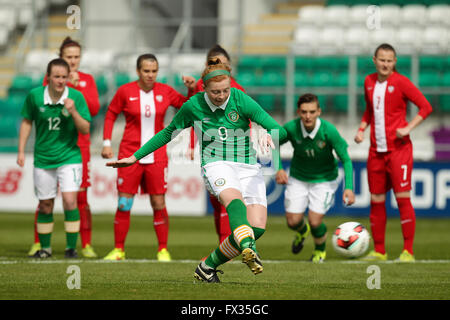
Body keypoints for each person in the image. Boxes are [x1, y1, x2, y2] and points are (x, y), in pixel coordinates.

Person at [106, 60, 287, 283]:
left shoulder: (241, 100)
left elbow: (279, 129)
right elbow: (168, 133)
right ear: (204, 89)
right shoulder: (193, 105)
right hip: (216, 163)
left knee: (257, 227)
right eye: (215, 92)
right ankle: (250, 249)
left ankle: (207, 266)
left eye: (225, 90)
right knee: (235, 201)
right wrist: (135, 157)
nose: (221, 96)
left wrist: (272, 135)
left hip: (249, 166)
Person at [101, 53, 188, 261]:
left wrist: (192, 88)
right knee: (124, 203)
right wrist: (106, 142)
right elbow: (111, 113)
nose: (150, 75)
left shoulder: (165, 91)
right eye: (146, 71)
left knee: (158, 202)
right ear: (138, 71)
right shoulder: (125, 91)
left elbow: (187, 105)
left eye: (154, 71)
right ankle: (119, 250)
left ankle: (163, 250)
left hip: (157, 155)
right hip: (129, 152)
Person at [354, 43, 433, 262]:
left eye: (390, 60)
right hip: (375, 152)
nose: (386, 64)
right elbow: (369, 110)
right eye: (382, 60)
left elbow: (426, 107)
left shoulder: (402, 82)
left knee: (402, 199)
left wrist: (408, 128)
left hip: (399, 151)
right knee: (377, 200)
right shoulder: (368, 81)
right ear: (375, 60)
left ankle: (408, 251)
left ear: (395, 62)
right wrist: (361, 129)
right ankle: (379, 251)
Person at [28, 37, 101, 258]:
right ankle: (38, 242)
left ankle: (84, 243)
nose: (73, 61)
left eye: (77, 57)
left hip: (80, 145)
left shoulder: (87, 79)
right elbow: (44, 104)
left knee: (79, 198)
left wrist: (78, 87)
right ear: (61, 57)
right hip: (53, 143)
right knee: (45, 198)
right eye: (69, 56)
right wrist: (68, 84)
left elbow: (95, 109)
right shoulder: (52, 79)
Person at [17, 58, 91, 258]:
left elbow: (85, 128)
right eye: (56, 76)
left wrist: (73, 111)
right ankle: (45, 249)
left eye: (64, 77)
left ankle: (71, 249)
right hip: (43, 158)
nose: (60, 80)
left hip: (70, 156)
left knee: (69, 201)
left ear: (68, 77)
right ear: (48, 77)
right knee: (45, 204)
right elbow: (26, 122)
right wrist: (21, 150)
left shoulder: (76, 96)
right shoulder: (35, 96)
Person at [275, 93, 355, 263]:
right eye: (304, 112)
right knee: (292, 221)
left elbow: (346, 160)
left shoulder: (329, 131)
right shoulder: (291, 128)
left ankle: (320, 250)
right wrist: (279, 168)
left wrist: (349, 187)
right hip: (298, 177)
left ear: (319, 111)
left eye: (312, 111)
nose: (308, 116)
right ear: (298, 112)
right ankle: (302, 231)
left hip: (325, 180)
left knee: (315, 220)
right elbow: (274, 142)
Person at [182, 44, 245, 244]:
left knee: (230, 200)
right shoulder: (202, 86)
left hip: (233, 151)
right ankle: (224, 243)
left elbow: (247, 119)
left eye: (223, 64)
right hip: (209, 151)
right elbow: (191, 115)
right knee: (217, 202)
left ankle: (230, 243)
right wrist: (192, 144)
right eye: (214, 63)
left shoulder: (236, 89)